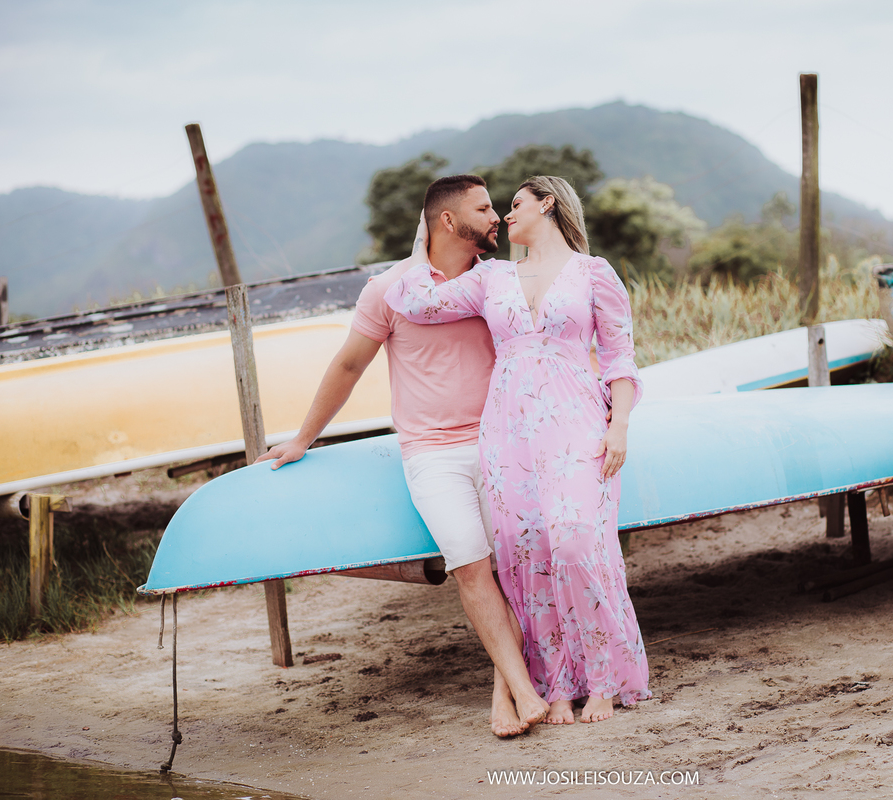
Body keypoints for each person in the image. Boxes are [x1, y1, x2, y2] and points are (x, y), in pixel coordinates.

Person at [256, 174, 550, 738]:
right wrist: (302, 440)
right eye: (485, 208)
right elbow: (348, 365)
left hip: (501, 443)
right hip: (432, 455)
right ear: (447, 220)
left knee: (510, 571)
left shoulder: (500, 282)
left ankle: (508, 694)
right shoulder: (391, 288)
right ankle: (523, 687)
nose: (498, 218)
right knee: (469, 565)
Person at [385, 175, 651, 725]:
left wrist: (619, 424)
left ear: (546, 204)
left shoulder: (593, 273)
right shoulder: (491, 279)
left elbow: (621, 358)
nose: (504, 217)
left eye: (514, 205)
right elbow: (415, 299)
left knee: (578, 541)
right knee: (526, 553)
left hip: (578, 421)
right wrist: (422, 241)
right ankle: (555, 686)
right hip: (508, 432)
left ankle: (602, 678)